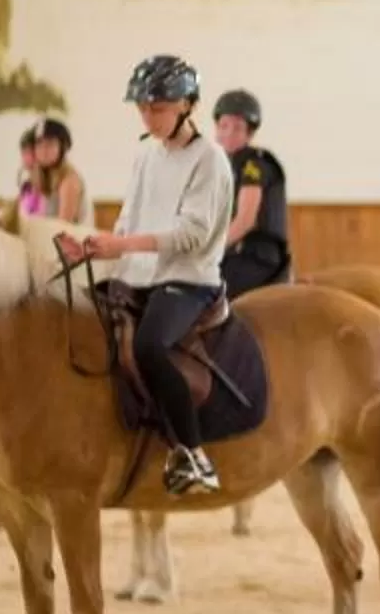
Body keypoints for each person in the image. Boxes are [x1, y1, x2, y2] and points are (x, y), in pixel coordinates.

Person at [54, 57, 235, 497]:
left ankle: (193, 453)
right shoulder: (145, 154)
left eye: (157, 108)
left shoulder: (209, 160)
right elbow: (128, 221)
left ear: (187, 105)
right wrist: (94, 248)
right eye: (142, 108)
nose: (148, 117)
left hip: (189, 279)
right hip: (139, 271)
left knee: (150, 345)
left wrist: (123, 247)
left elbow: (192, 236)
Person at [211, 89, 292, 295]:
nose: (228, 133)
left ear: (250, 133)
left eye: (237, 128)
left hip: (257, 256)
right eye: (223, 126)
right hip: (236, 253)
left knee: (203, 290)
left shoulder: (253, 165)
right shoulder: (223, 166)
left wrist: (210, 250)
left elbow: (245, 221)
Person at [17, 117, 87, 224]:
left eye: (50, 144)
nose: (43, 150)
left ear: (62, 148)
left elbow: (63, 226)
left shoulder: (69, 179)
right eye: (39, 144)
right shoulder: (39, 179)